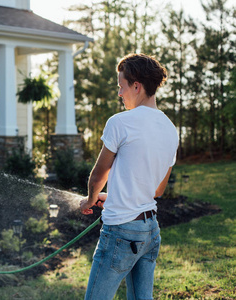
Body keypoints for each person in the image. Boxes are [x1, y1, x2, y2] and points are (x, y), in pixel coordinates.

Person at [79, 53, 179, 299]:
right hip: (149, 230)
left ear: (136, 86)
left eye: (121, 87)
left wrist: (91, 199)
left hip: (121, 232)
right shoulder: (170, 129)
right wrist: (112, 196)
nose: (119, 94)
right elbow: (157, 190)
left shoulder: (120, 123)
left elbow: (98, 174)